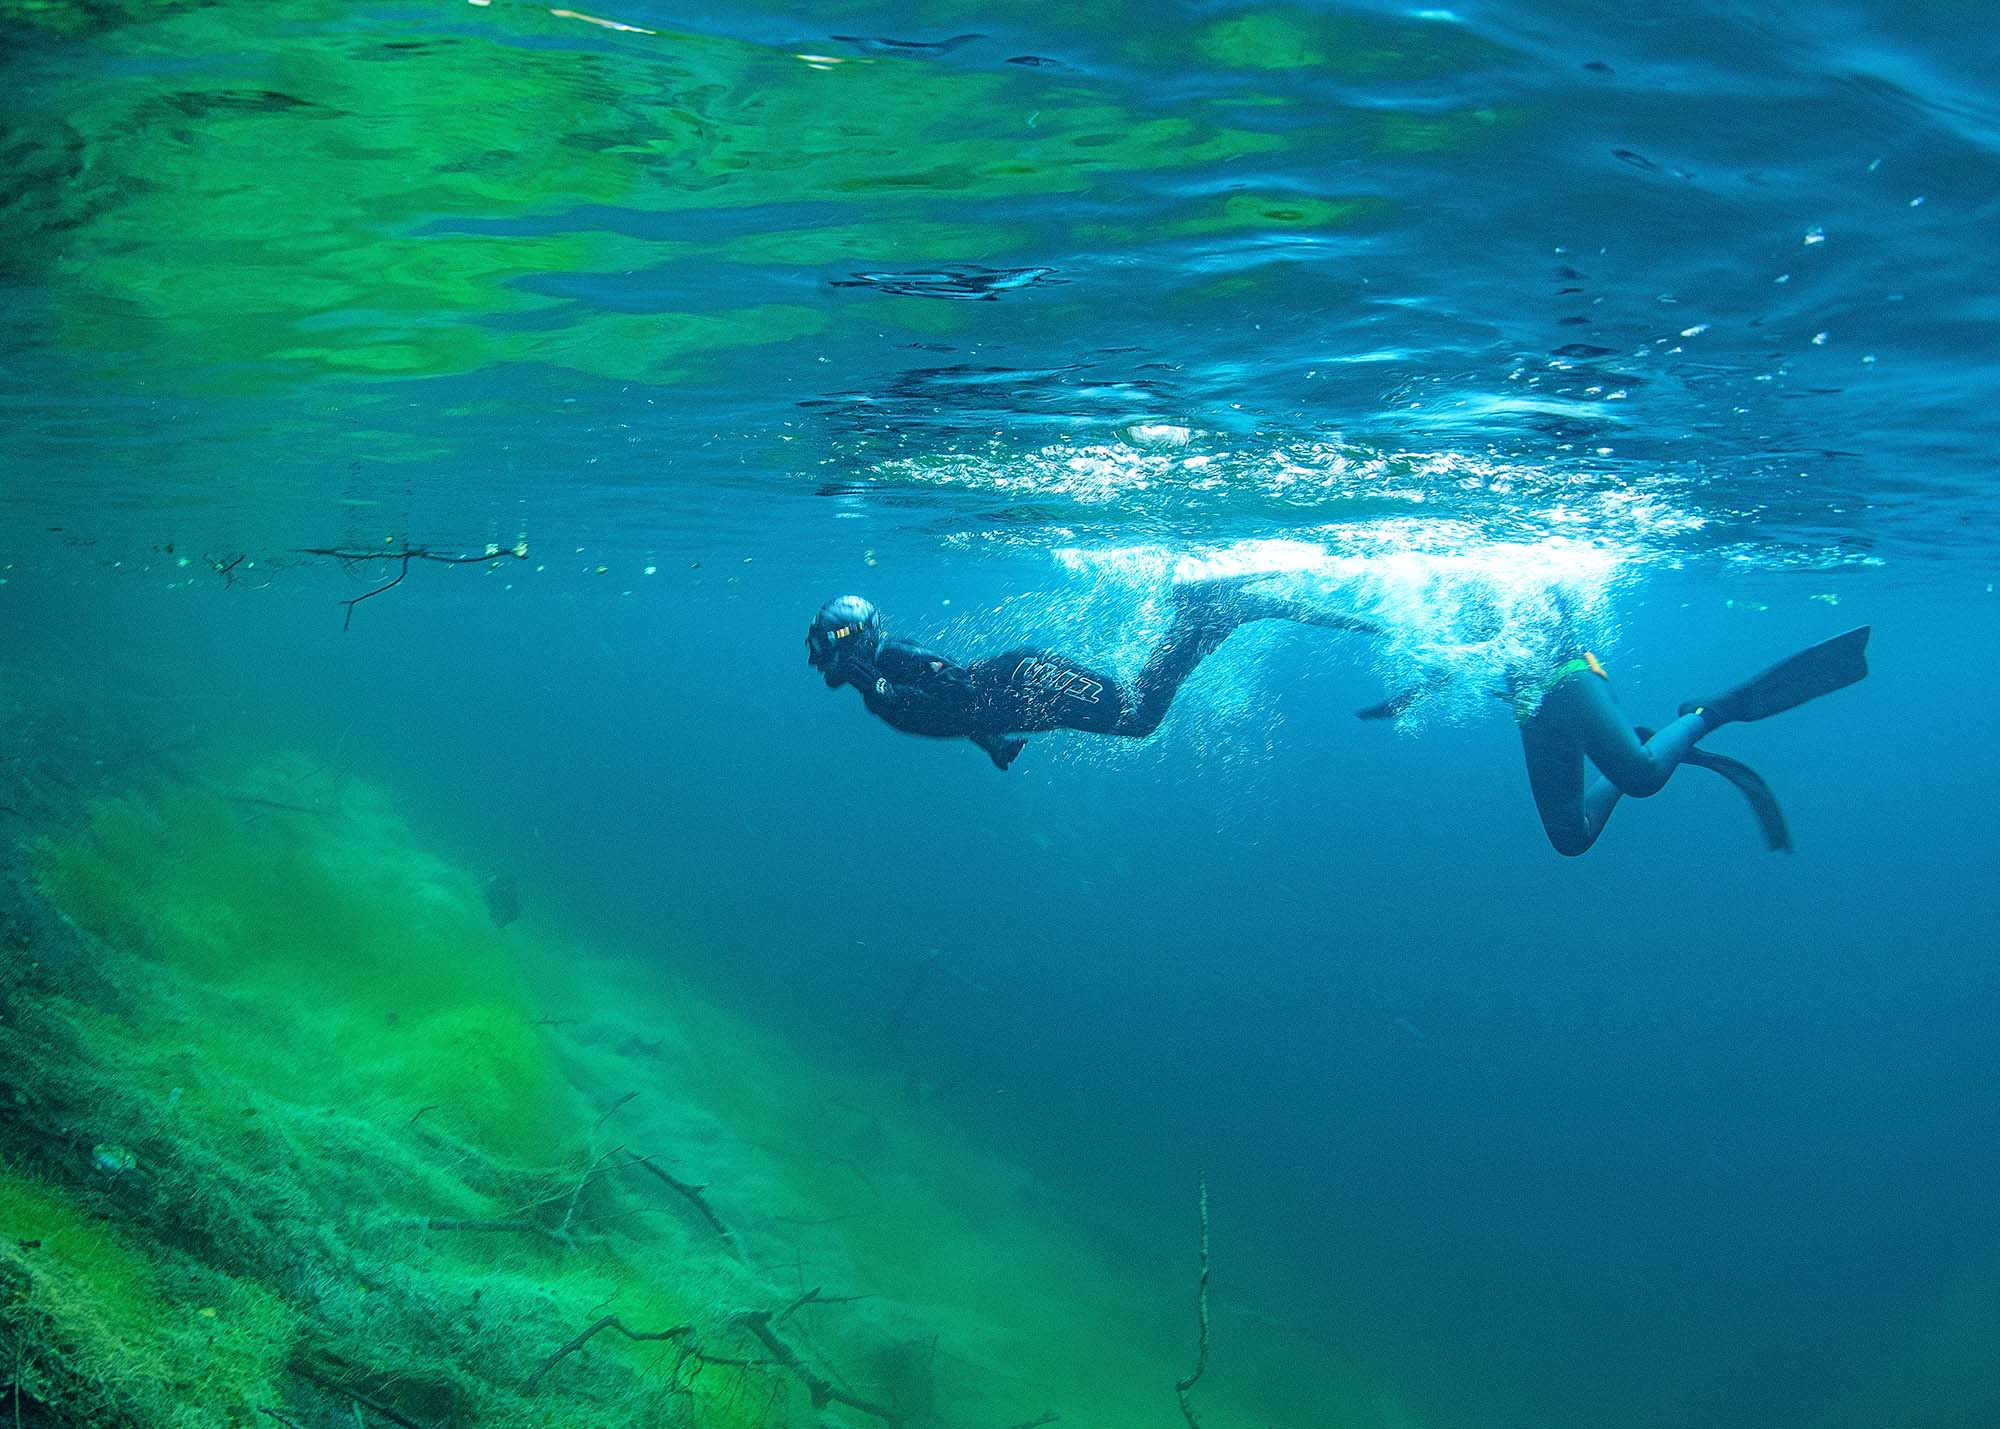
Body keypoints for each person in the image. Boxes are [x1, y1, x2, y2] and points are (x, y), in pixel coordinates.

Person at [1360, 627, 1871, 855]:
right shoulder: (1438, 574)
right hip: (1531, 704)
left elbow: (1474, 641)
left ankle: (1711, 712)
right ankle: (1644, 744)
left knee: (1644, 778)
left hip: (1569, 677)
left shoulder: (1505, 553)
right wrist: (1408, 699)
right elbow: (1448, 647)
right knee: (1572, 838)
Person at [806, 580, 1375, 770]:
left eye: (823, 649)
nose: (817, 661)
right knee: (1136, 714)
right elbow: (952, 710)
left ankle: (1205, 611)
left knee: (1137, 717)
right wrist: (992, 745)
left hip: (1030, 682)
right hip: (1026, 692)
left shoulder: (888, 666)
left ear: (850, 643)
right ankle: (1209, 616)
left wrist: (877, 685)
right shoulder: (878, 678)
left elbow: (956, 688)